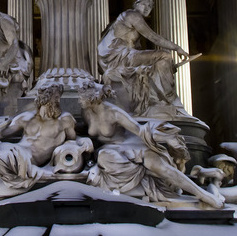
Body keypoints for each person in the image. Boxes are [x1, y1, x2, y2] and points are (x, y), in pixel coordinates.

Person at [80, 84, 222, 208]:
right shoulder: (86, 112)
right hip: (110, 148)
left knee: (162, 168)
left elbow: (139, 130)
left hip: (130, 144)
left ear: (94, 98)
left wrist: (165, 136)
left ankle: (202, 194)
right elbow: (81, 131)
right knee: (105, 157)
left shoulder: (114, 113)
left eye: (83, 97)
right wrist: (82, 140)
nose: (80, 100)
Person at [98, 0, 189, 116]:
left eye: (150, 6)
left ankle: (161, 100)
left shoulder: (127, 19)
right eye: (144, 4)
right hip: (118, 57)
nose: (147, 8)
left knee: (159, 62)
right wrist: (177, 47)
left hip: (120, 56)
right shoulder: (133, 15)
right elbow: (153, 38)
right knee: (165, 56)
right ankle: (171, 100)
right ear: (136, 4)